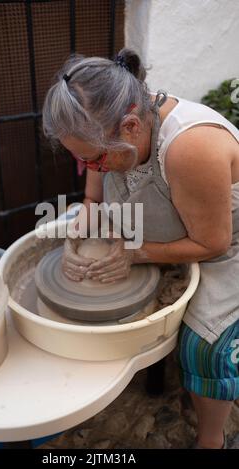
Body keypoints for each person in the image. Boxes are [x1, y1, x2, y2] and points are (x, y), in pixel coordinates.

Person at [42, 48, 239, 449]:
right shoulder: (109, 137)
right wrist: (87, 212)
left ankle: (211, 438)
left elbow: (212, 241)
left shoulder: (192, 147)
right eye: (81, 159)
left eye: (93, 159)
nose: (89, 167)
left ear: (130, 126)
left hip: (226, 243)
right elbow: (94, 197)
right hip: (160, 229)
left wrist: (136, 253)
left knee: (203, 344)